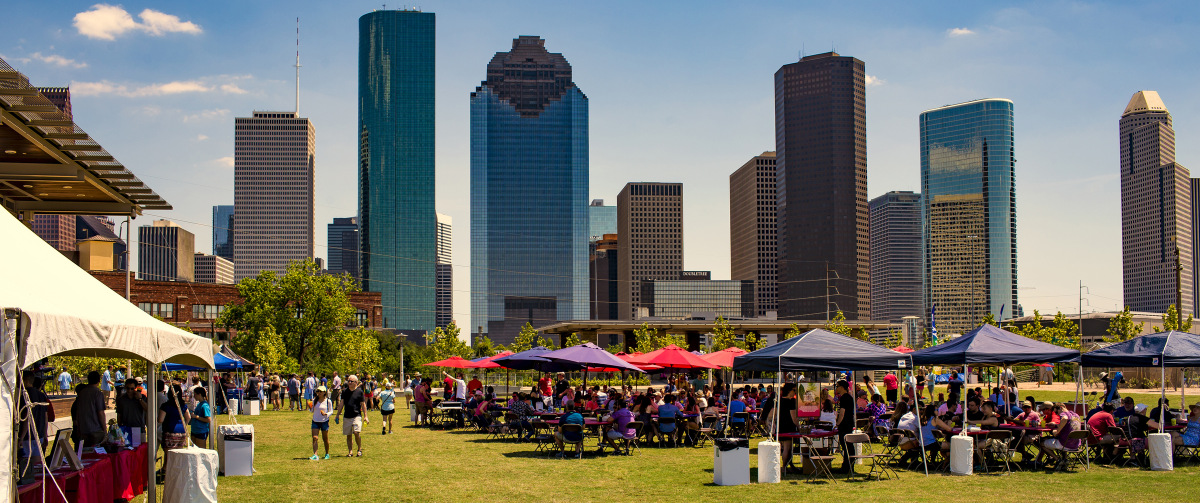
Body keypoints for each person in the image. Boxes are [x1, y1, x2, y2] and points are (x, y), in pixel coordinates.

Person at [158, 384, 190, 473]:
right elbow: (188, 418)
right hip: (181, 433)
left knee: (169, 456)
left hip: (169, 432)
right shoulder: (183, 405)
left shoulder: (166, 406)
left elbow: (160, 419)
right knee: (178, 456)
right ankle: (176, 473)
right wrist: (183, 426)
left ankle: (167, 473)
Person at [71, 371, 106, 450]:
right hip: (95, 430)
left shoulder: (82, 393)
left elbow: (77, 413)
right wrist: (104, 429)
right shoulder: (97, 393)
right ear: (99, 381)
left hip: (83, 430)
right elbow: (100, 413)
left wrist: (78, 429)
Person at [1038, 403, 1082, 468]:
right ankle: (1065, 459)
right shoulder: (1076, 415)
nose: (1057, 414)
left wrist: (1057, 431)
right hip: (1076, 444)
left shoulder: (1064, 414)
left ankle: (1058, 460)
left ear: (1061, 407)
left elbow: (1064, 418)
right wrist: (1056, 425)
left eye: (1056, 412)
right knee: (1055, 439)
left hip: (1065, 444)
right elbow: (1068, 423)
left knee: (1041, 443)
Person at [335, 375, 369, 457]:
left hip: (356, 415)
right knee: (348, 434)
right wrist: (337, 415)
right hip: (347, 416)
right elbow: (341, 403)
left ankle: (359, 449)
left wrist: (365, 416)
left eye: (351, 381)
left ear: (356, 383)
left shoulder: (359, 392)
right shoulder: (344, 392)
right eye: (348, 381)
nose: (349, 382)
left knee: (356, 432)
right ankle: (350, 451)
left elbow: (363, 404)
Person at [777, 383, 800, 473]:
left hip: (781, 426)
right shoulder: (791, 402)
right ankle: (784, 467)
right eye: (794, 390)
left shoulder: (780, 401)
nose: (795, 392)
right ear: (789, 391)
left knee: (787, 448)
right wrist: (798, 426)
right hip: (788, 427)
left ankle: (789, 465)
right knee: (787, 448)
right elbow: (794, 417)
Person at [833, 380, 855, 474]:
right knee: (848, 446)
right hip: (849, 424)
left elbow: (842, 413)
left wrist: (837, 424)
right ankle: (848, 465)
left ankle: (846, 466)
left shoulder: (844, 398)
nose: (836, 388)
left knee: (846, 446)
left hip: (844, 425)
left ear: (842, 387)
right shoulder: (849, 397)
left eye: (837, 386)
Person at [115, 378, 146, 443]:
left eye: (132, 389)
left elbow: (147, 409)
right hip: (126, 428)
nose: (129, 390)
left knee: (139, 450)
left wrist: (140, 399)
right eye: (128, 388)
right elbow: (119, 415)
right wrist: (120, 429)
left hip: (138, 428)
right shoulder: (121, 399)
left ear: (135, 388)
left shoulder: (141, 397)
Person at [310, 386, 333, 459]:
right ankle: (315, 454)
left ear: (324, 392)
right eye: (318, 391)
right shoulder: (315, 400)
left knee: (325, 439)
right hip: (315, 421)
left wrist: (326, 414)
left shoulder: (328, 401)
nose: (319, 393)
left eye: (320, 391)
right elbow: (312, 410)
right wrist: (310, 407)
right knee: (315, 438)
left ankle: (327, 453)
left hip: (324, 421)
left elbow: (331, 411)